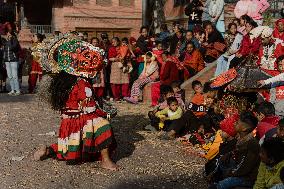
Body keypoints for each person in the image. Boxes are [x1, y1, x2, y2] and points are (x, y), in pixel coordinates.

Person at [33, 37, 118, 171]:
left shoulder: (63, 82)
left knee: (68, 150)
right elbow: (90, 109)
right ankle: (106, 161)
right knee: (103, 125)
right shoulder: (82, 83)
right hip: (80, 120)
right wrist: (106, 114)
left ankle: (49, 150)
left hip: (67, 124)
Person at [208, 112, 260, 189]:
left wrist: (231, 173)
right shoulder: (241, 139)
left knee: (224, 183)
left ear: (244, 129)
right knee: (221, 161)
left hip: (247, 177)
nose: (235, 123)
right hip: (238, 169)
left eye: (238, 122)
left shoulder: (252, 144)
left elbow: (245, 167)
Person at [0, 24, 20, 95]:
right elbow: (4, 51)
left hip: (13, 60)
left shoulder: (14, 40)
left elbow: (14, 48)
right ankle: (12, 90)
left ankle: (17, 90)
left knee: (15, 76)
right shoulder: (4, 42)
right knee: (10, 76)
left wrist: (11, 40)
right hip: (7, 61)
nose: (7, 34)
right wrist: (4, 60)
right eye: (6, 33)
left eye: (8, 33)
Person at [108, 37, 129, 101]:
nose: (113, 43)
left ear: (118, 41)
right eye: (112, 42)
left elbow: (127, 55)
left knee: (124, 80)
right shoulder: (111, 49)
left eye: (115, 41)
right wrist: (116, 59)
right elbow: (109, 58)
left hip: (123, 65)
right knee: (115, 82)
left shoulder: (122, 47)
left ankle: (125, 96)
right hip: (115, 66)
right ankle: (116, 96)